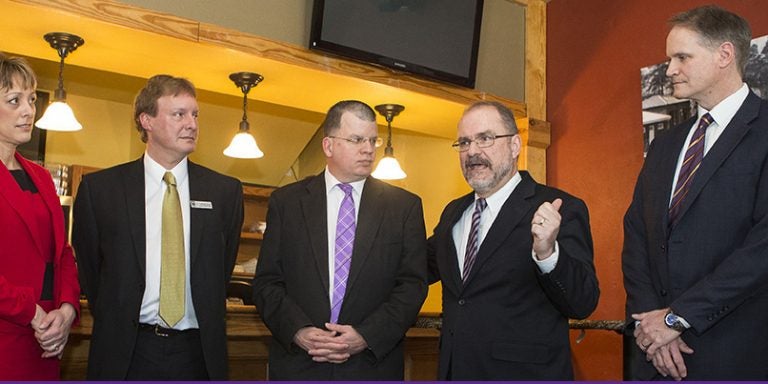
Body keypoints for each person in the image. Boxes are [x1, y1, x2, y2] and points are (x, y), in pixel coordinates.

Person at [623, 5, 768, 380]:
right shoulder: (665, 145)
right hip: (652, 355)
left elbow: (762, 248)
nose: (670, 69)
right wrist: (652, 326)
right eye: (670, 58)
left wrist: (676, 318)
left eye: (682, 57)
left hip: (735, 352)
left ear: (724, 54)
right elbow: (637, 235)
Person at [72, 74, 244, 380]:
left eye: (195, 114)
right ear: (146, 120)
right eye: (179, 114)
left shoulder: (225, 192)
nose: (191, 124)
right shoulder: (101, 190)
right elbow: (91, 271)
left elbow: (221, 267)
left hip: (199, 355)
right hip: (126, 353)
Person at [253, 100, 427, 380]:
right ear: (329, 146)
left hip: (371, 366)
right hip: (300, 364)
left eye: (373, 140)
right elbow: (267, 282)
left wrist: (366, 336)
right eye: (357, 139)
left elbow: (412, 285)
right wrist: (298, 331)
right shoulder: (287, 202)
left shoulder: (404, 207)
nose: (369, 149)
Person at [427, 101, 599, 380]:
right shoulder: (453, 214)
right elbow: (415, 267)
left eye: (485, 138)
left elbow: (583, 302)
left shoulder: (559, 207)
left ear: (515, 145)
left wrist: (547, 254)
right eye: (464, 142)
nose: (472, 151)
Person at [0, 53, 80, 380]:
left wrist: (67, 310)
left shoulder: (42, 177)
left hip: (48, 337)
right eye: (14, 100)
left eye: (31, 99)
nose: (29, 110)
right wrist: (31, 312)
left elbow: (62, 252)